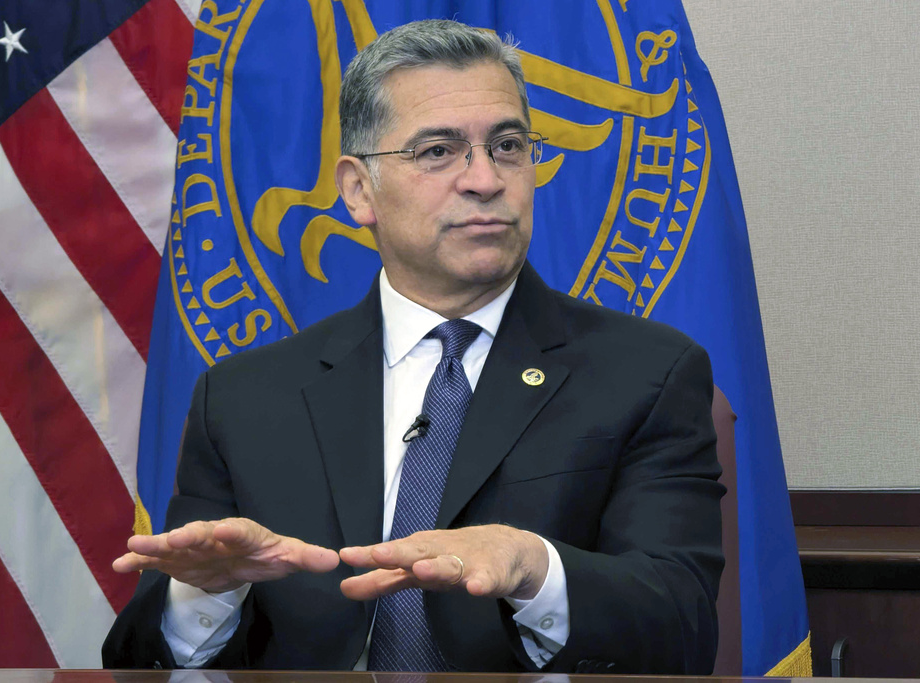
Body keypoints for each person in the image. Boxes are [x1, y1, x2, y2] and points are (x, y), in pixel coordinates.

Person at [102, 19, 724, 674]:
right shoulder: (243, 398)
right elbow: (139, 662)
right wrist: (208, 590)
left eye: (508, 145)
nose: (485, 178)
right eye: (437, 151)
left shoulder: (647, 374)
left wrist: (535, 567)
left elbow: (682, 627)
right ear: (358, 189)